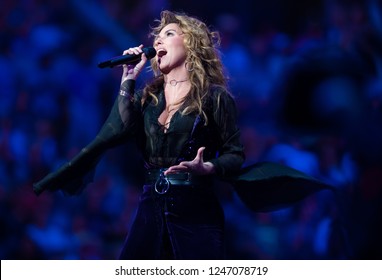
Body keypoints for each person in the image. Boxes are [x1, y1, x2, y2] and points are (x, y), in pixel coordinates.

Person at [34, 10, 246, 259]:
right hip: (151, 208)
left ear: (191, 44)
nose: (157, 41)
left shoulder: (215, 97)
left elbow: (235, 154)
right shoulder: (148, 99)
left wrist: (208, 166)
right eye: (157, 37)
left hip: (196, 212)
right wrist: (128, 80)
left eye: (168, 34)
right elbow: (116, 130)